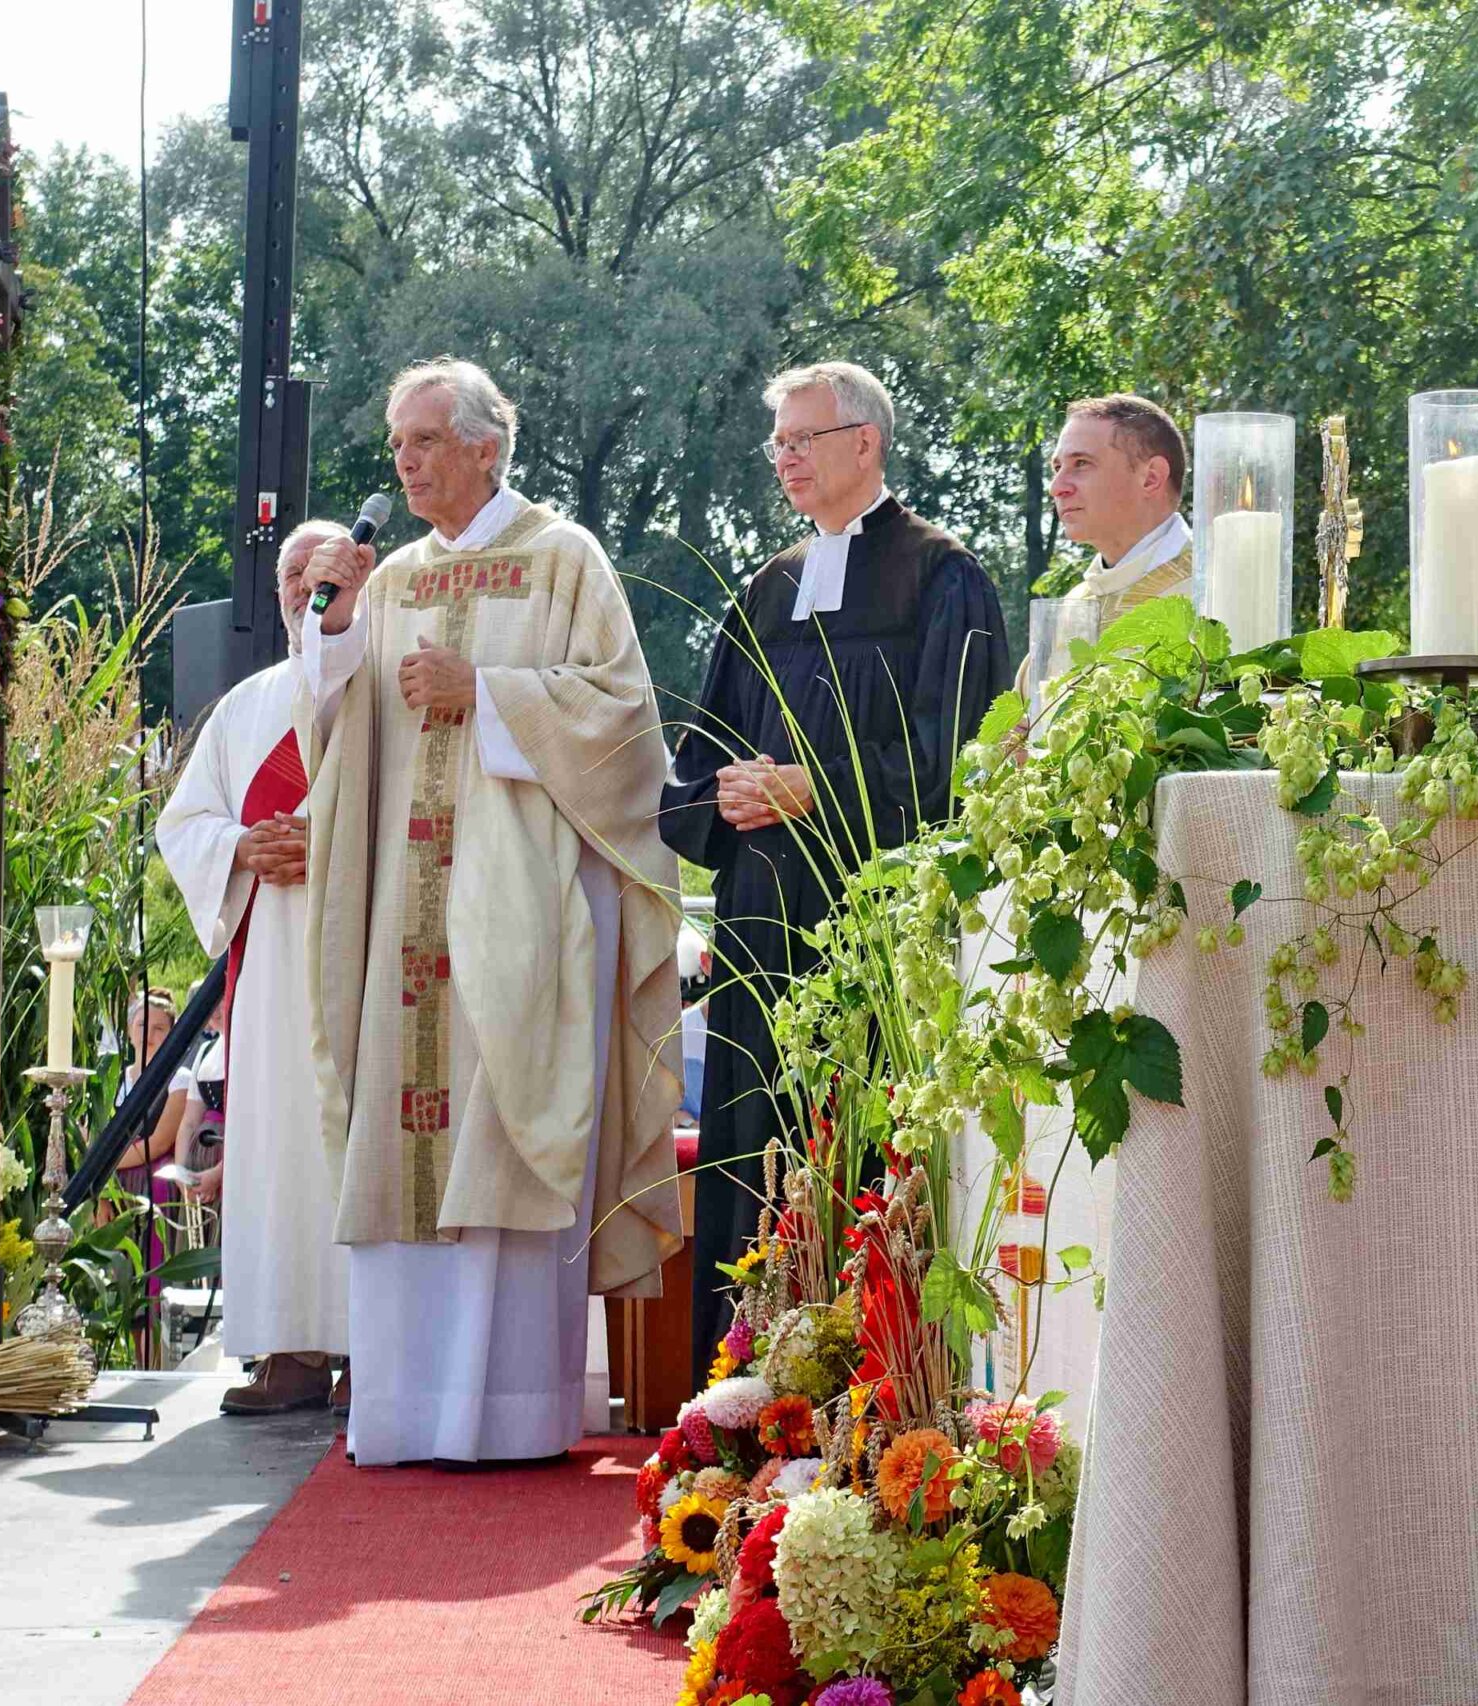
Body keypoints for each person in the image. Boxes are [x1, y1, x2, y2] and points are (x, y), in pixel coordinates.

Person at [298, 357, 684, 1467]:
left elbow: (625, 720)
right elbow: (340, 730)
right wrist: (334, 629)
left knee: (514, 1114)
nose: (405, 462)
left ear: (486, 448)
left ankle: (513, 1411)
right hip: (406, 911)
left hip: (527, 902)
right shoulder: (393, 578)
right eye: (397, 444)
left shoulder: (564, 558)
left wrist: (490, 695)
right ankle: (406, 1409)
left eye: (425, 441)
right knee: (405, 1129)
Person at [660, 360, 1012, 1358]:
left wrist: (817, 789)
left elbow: (961, 758)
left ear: (866, 442)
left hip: (870, 925)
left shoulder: (942, 577)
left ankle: (868, 1386)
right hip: (760, 918)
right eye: (777, 443)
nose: (786, 459)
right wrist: (723, 794)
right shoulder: (766, 588)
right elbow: (697, 760)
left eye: (803, 440)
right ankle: (743, 1381)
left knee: (855, 1138)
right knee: (754, 1145)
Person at [156, 516, 354, 1417]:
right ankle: (292, 1348)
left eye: (321, 575)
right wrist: (242, 847)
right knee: (279, 1144)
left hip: (369, 948)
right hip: (271, 964)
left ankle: (374, 1350)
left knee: (359, 1144)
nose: (304, 592)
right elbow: (184, 825)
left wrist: (329, 845)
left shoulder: (385, 688)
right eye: (290, 579)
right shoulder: (245, 708)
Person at [1025, 393, 1192, 690]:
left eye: (1081, 463)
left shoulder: (1213, 589)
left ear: (1151, 478)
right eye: (1057, 468)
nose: (1056, 487)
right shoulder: (1071, 607)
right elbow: (1028, 711)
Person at [114, 989, 194, 1369]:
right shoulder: (116, 1080)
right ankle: (129, 1360)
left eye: (160, 1028)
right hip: (118, 1193)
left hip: (154, 1191)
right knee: (123, 1278)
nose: (150, 1034)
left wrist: (110, 1162)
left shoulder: (179, 1079)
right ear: (130, 1029)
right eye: (143, 1024)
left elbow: (160, 1140)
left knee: (152, 1279)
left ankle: (155, 1365)